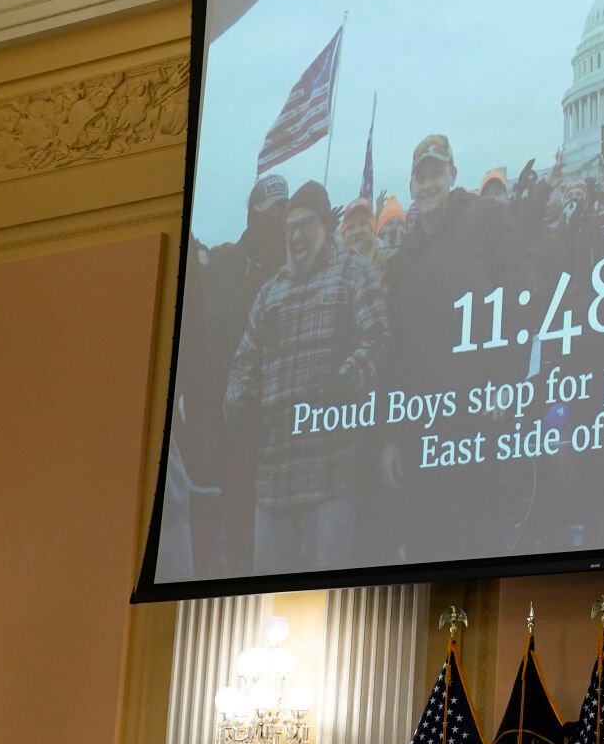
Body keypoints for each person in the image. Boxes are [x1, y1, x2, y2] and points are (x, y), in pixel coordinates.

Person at [379, 134, 530, 563]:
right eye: (420, 176)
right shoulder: (406, 255)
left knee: (478, 538)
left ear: (453, 174)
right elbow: (397, 347)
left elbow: (520, 298)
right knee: (428, 545)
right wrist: (392, 434)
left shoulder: (485, 219)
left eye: (436, 173)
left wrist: (507, 380)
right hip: (423, 427)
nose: (428, 183)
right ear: (412, 185)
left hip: (478, 416)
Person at [226, 180, 386, 575]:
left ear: (326, 226)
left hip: (331, 472)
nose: (297, 235)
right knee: (267, 592)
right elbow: (243, 360)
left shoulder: (354, 272)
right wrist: (240, 399)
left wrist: (344, 382)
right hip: (274, 476)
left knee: (328, 589)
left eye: (306, 224)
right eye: (290, 227)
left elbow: (379, 340)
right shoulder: (269, 292)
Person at [179, 173, 292, 577]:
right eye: (271, 213)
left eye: (283, 213)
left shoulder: (290, 275)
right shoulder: (220, 264)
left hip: (259, 423)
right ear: (252, 215)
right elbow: (192, 330)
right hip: (209, 418)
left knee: (247, 525)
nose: (278, 222)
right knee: (206, 520)